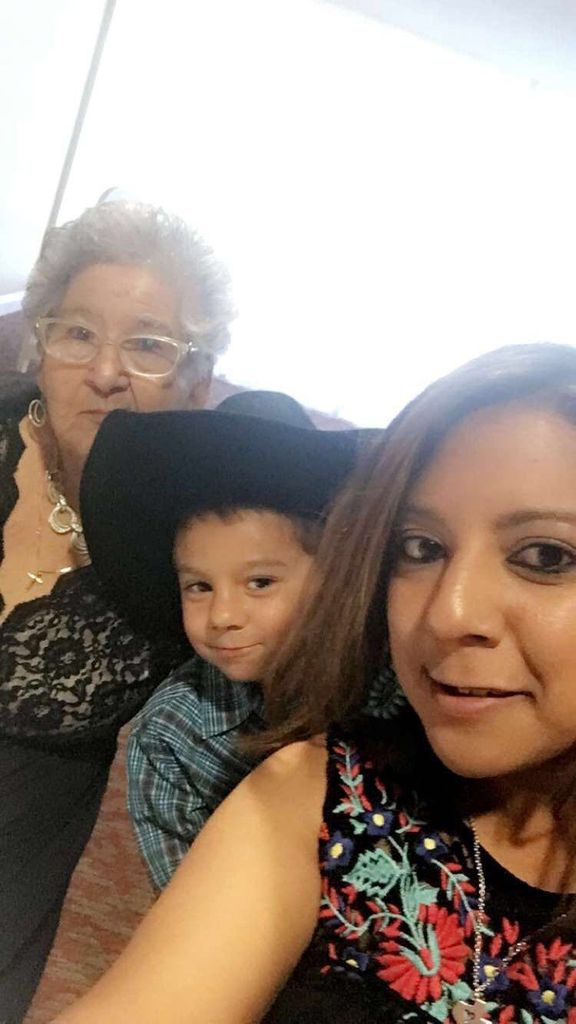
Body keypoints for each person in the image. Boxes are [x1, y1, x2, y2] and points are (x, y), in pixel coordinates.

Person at [53, 341, 576, 1024]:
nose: (447, 615)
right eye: (419, 548)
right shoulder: (319, 789)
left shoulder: (385, 689)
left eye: (545, 556)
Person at [0, 199, 232, 1022]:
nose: (104, 372)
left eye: (147, 345)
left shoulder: (199, 545)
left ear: (196, 381)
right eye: (78, 333)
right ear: (41, 345)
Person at [79, 393, 363, 890]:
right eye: (199, 586)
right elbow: (185, 902)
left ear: (334, 577)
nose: (223, 617)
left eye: (260, 582)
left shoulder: (391, 687)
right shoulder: (170, 738)